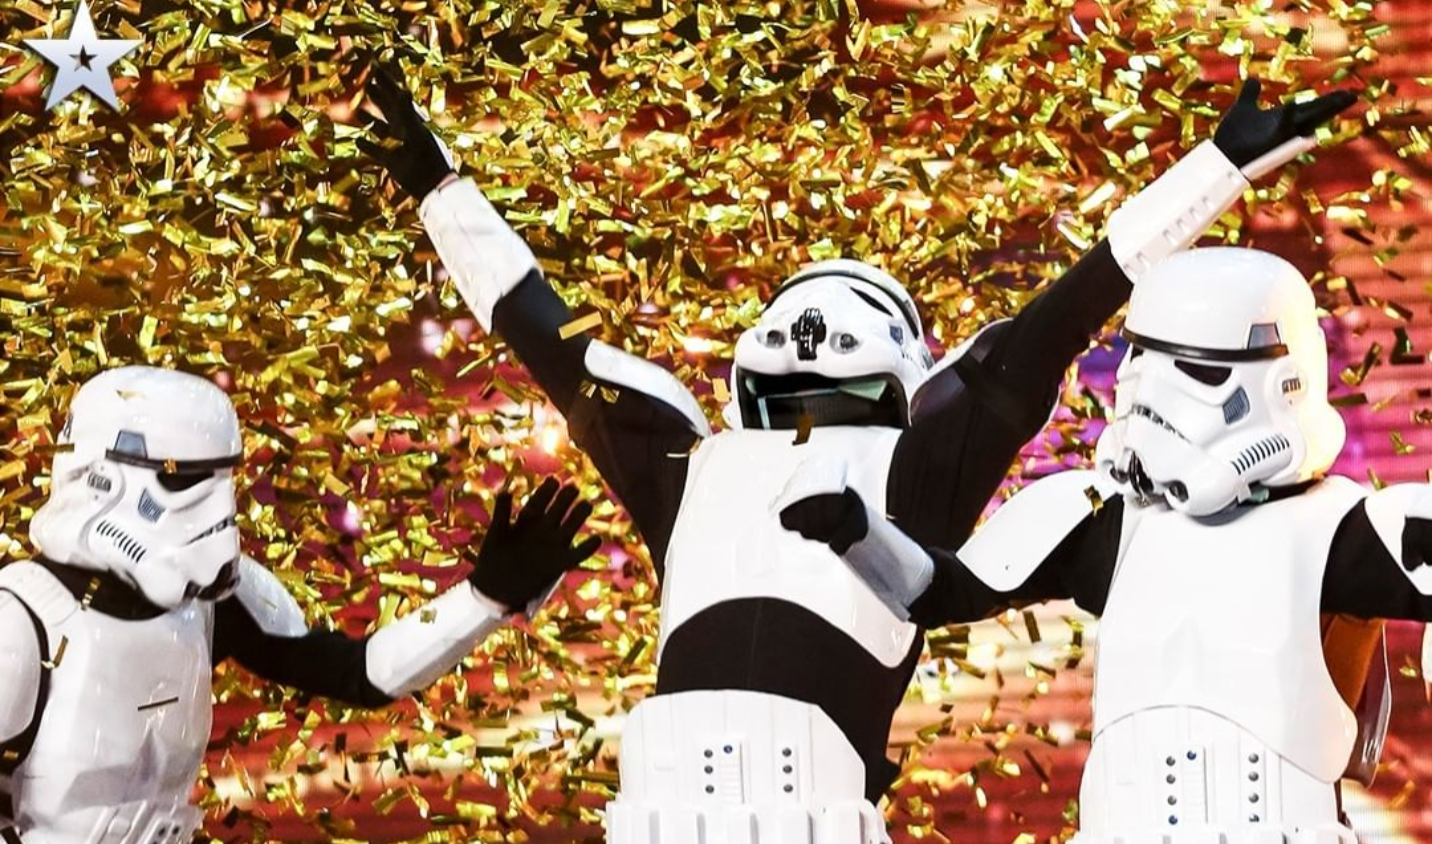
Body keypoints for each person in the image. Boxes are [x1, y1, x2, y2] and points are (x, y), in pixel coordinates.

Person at [360, 67, 1352, 842]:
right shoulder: (701, 466)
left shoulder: (893, 469)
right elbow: (542, 333)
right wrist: (437, 187)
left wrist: (1219, 167)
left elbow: (1062, 313)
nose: (807, 343)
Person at [781, 247, 1432, 842]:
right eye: (1140, 360)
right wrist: (851, 529)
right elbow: (938, 592)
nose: (1147, 395)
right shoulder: (1106, 521)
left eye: (1192, 370)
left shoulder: (1339, 530)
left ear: (1278, 381)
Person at [0, 365, 599, 843]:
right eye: (183, 478)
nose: (214, 511)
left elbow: (364, 674)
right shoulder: (22, 620)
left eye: (222, 479)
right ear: (100, 477)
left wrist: (483, 598)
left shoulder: (209, 607)